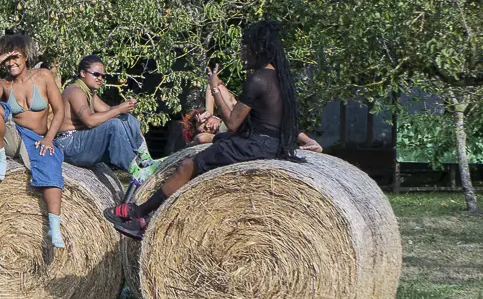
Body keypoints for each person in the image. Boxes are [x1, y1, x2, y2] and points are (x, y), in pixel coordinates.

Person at [106, 20, 322, 239]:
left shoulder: (257, 79)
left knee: (188, 165)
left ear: (258, 48)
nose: (242, 52)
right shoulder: (280, 78)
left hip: (253, 146)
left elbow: (233, 122)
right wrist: (306, 140)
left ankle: (139, 214)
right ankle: (155, 218)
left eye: (245, 46)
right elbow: (285, 123)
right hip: (270, 145)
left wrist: (215, 87)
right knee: (211, 149)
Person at [0, 31, 69, 248]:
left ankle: (54, 227)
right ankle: (0, 157)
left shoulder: (43, 76)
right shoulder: (4, 84)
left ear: (25, 56)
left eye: (15, 57)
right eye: (6, 59)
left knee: (50, 163)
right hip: (14, 137)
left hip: (38, 139)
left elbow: (59, 111)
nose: (11, 63)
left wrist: (49, 138)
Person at [55, 55, 158, 183]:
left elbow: (110, 112)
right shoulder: (75, 91)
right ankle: (134, 172)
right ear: (82, 73)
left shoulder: (89, 92)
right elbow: (90, 121)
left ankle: (145, 159)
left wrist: (125, 108)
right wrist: (118, 109)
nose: (100, 79)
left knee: (125, 118)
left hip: (80, 142)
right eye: (96, 74)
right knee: (114, 124)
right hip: (69, 145)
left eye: (103, 76)